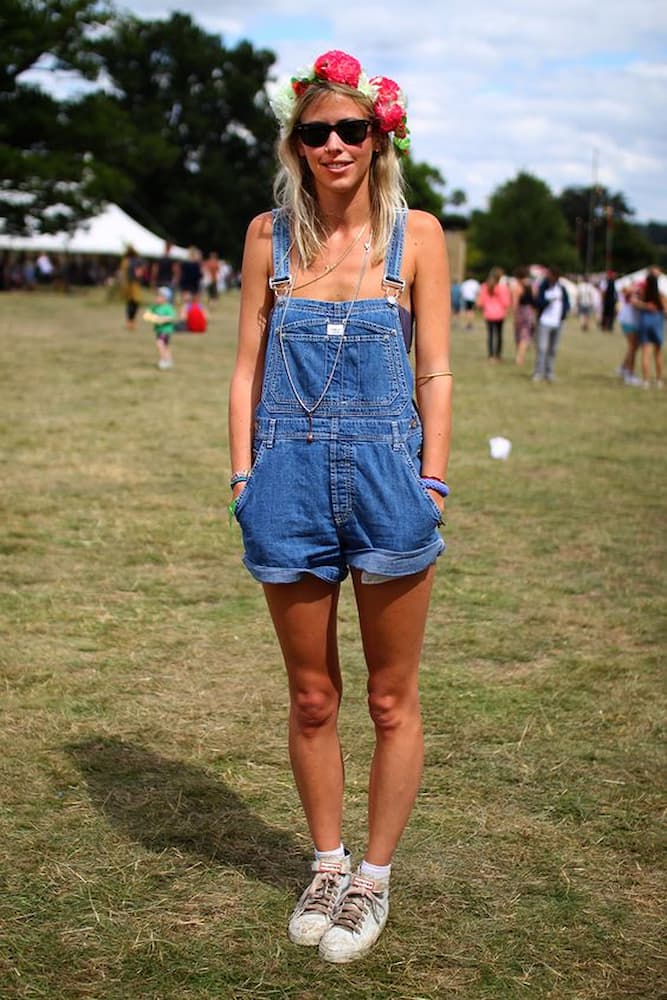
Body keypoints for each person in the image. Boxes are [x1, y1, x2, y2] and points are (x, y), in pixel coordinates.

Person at [228, 49, 452, 964]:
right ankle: (326, 865)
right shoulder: (267, 238)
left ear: (378, 137)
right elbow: (244, 369)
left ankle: (373, 879)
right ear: (296, 143)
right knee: (313, 696)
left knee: (390, 698)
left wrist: (431, 479)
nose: (333, 144)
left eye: (351, 128)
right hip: (284, 480)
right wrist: (243, 479)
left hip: (390, 482)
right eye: (315, 131)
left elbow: (434, 369)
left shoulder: (418, 236)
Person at [532, 266, 570, 382]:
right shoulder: (543, 287)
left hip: (557, 322)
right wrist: (548, 300)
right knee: (542, 348)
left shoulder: (561, 288)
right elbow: (537, 302)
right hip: (545, 321)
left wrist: (564, 312)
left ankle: (549, 372)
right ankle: (538, 372)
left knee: (553, 349)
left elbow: (566, 303)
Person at [632, 269, 665, 389]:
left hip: (644, 322)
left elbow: (634, 302)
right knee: (658, 354)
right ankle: (659, 380)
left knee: (645, 353)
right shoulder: (660, 295)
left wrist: (645, 305)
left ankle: (646, 381)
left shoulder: (643, 293)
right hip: (657, 323)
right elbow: (665, 310)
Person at [477, 266, 511, 361]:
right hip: (500, 314)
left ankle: (491, 355)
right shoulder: (502, 288)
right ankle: (498, 355)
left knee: (490, 335)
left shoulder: (484, 286)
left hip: (488, 314)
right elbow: (506, 303)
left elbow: (480, 302)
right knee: (499, 335)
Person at [142, 286, 176, 369]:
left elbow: (172, 317)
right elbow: (148, 312)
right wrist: (148, 316)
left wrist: (162, 319)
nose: (157, 297)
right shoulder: (155, 306)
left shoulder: (167, 307)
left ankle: (163, 360)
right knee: (165, 346)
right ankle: (169, 361)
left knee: (160, 344)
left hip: (165, 330)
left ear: (165, 298)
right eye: (157, 295)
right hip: (158, 330)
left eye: (159, 296)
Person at [511, 266, 536, 366]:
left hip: (520, 312)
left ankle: (519, 357)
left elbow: (515, 304)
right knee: (525, 336)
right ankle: (520, 357)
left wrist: (514, 316)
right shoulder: (532, 286)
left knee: (519, 336)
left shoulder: (517, 287)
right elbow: (534, 302)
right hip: (529, 312)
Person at [616, 286, 641, 385]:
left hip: (632, 321)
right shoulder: (633, 294)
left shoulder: (637, 294)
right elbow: (625, 291)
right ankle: (629, 374)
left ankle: (623, 368)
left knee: (634, 347)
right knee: (632, 347)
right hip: (629, 321)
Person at [119, 245, 143, 329]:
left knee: (132, 303)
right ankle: (131, 321)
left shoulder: (129, 261)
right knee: (132, 303)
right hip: (131, 285)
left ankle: (130, 321)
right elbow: (124, 273)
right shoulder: (129, 261)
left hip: (132, 284)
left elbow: (122, 274)